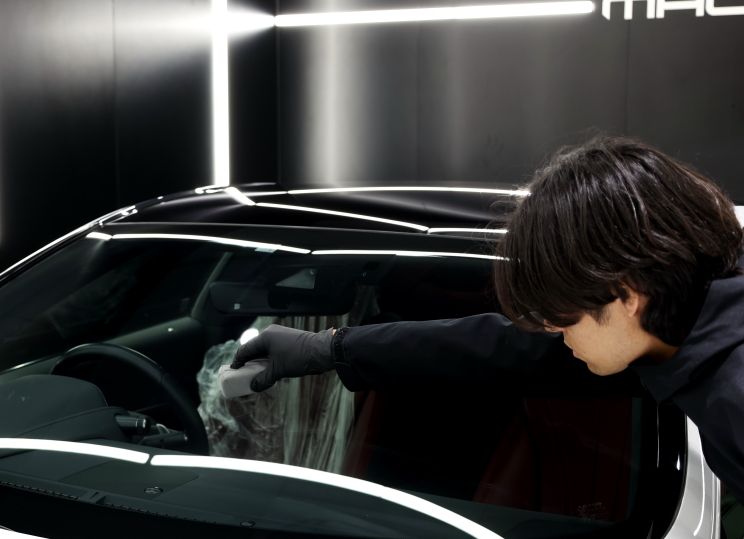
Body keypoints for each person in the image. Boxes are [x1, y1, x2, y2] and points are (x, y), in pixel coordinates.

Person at [231, 136, 744, 499]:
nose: (552, 334)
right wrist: (330, 348)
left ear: (626, 293)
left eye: (561, 319)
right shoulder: (681, 317)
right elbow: (502, 348)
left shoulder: (735, 400)